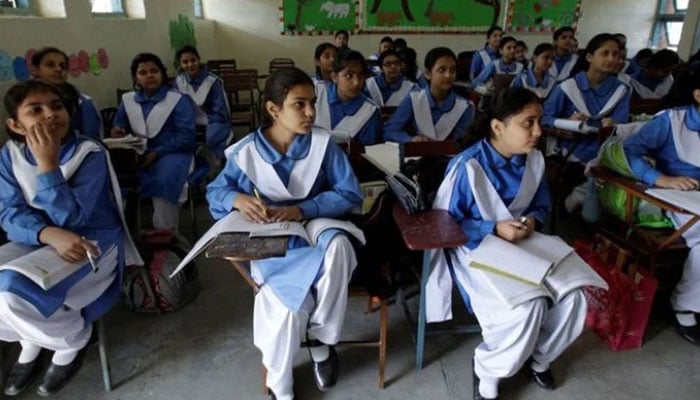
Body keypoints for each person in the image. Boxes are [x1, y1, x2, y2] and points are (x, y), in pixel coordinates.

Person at [206, 67, 364, 400]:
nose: (310, 113)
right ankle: (284, 382)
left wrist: (304, 209)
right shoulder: (246, 151)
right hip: (273, 234)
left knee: (339, 248)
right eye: (299, 104)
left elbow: (350, 194)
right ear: (274, 109)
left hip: (313, 222)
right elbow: (214, 191)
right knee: (288, 305)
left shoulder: (323, 145)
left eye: (313, 103)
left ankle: (321, 339)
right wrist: (236, 198)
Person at [426, 87, 587, 400]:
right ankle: (488, 369)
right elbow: (443, 225)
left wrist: (532, 222)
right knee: (528, 305)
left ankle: (540, 357)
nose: (538, 132)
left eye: (539, 122)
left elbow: (540, 206)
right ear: (498, 127)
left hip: (524, 243)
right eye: (528, 123)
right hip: (475, 249)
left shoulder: (535, 160)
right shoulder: (467, 166)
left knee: (576, 296)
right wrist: (492, 228)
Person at [0, 80, 141, 397]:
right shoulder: (10, 157)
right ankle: (31, 341)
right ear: (15, 125)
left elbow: (77, 220)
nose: (50, 115)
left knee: (11, 293)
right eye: (35, 110)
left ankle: (71, 341)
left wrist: (48, 166)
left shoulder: (89, 152)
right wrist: (46, 233)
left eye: (57, 106)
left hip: (94, 243)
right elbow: (9, 213)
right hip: (39, 241)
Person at [622, 69, 700, 345]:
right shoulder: (671, 121)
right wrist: (661, 178)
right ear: (698, 95)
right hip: (676, 198)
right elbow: (628, 151)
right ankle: (684, 304)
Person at [111, 53, 197, 232]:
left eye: (154, 71)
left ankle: (166, 233)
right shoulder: (128, 100)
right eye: (143, 72)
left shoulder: (178, 100)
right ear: (136, 78)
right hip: (138, 154)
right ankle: (126, 234)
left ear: (162, 74)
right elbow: (120, 124)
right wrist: (118, 131)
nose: (150, 75)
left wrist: (157, 152)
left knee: (163, 181)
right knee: (112, 180)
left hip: (173, 153)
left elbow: (186, 137)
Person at [543, 33, 631, 163]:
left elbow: (622, 124)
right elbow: (545, 118)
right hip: (571, 148)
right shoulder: (568, 87)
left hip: (606, 147)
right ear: (589, 57)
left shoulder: (621, 90)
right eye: (605, 53)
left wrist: (613, 125)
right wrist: (567, 122)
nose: (612, 59)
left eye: (615, 54)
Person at [384, 47, 474, 143]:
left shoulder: (465, 107)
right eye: (442, 70)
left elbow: (462, 143)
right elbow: (390, 130)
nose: (448, 75)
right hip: (417, 154)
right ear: (427, 73)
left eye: (453, 70)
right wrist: (410, 139)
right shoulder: (415, 99)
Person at [175, 45, 231, 164]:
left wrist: (206, 118)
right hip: (188, 122)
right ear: (180, 64)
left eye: (193, 60)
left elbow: (220, 112)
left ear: (198, 60)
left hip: (213, 120)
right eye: (185, 62)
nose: (190, 64)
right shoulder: (178, 82)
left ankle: (211, 160)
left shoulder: (212, 81)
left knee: (212, 137)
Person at [30, 47, 103, 139]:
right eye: (50, 65)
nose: (58, 69)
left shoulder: (83, 103)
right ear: (35, 70)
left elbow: (92, 142)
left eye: (63, 66)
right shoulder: (23, 101)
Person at [313, 50, 382, 145]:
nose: (356, 82)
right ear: (334, 77)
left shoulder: (370, 111)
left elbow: (368, 153)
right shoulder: (315, 94)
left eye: (360, 76)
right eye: (349, 75)